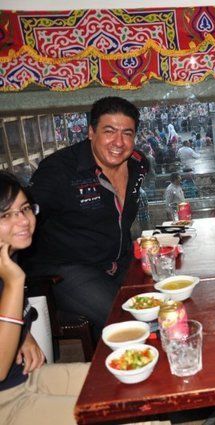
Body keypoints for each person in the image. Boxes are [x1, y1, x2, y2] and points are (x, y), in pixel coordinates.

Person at [24, 96, 148, 339]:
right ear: (91, 132)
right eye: (109, 131)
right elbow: (22, 218)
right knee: (128, 322)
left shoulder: (138, 164)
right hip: (68, 269)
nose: (119, 142)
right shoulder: (59, 171)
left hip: (118, 262)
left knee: (160, 300)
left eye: (127, 133)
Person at [0, 171, 89, 425]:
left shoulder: (7, 254)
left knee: (126, 385)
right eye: (5, 215)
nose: (23, 220)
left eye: (25, 209)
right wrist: (14, 283)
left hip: (27, 377)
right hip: (6, 403)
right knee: (120, 413)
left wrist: (22, 334)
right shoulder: (11, 272)